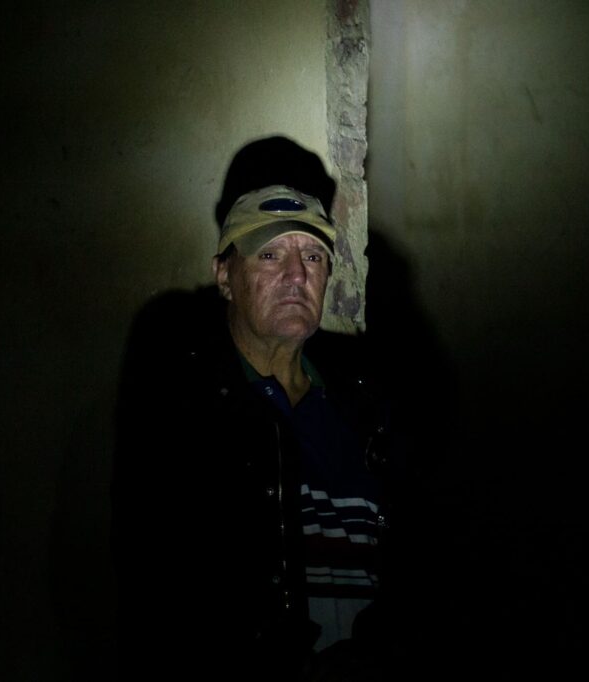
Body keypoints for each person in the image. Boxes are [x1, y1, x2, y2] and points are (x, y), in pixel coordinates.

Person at [111, 141, 412, 681]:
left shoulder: (370, 410)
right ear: (224, 276)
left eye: (313, 256)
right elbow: (151, 591)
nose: (297, 274)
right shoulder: (184, 413)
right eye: (270, 255)